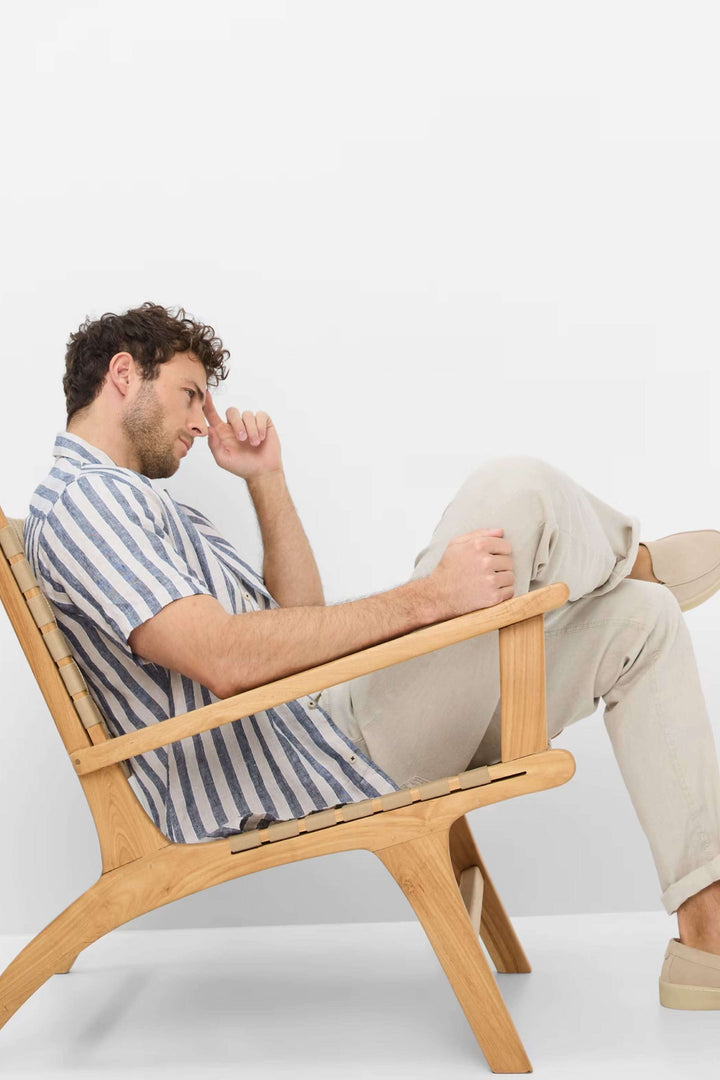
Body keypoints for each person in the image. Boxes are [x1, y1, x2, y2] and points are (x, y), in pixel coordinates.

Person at [25, 301, 720, 1010]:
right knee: (517, 489)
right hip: (327, 755)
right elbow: (223, 659)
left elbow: (293, 626)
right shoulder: (86, 501)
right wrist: (432, 597)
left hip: (328, 727)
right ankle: (631, 560)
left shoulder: (137, 504)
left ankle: (707, 940)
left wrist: (267, 479)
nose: (203, 421)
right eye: (190, 393)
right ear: (123, 375)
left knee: (645, 622)